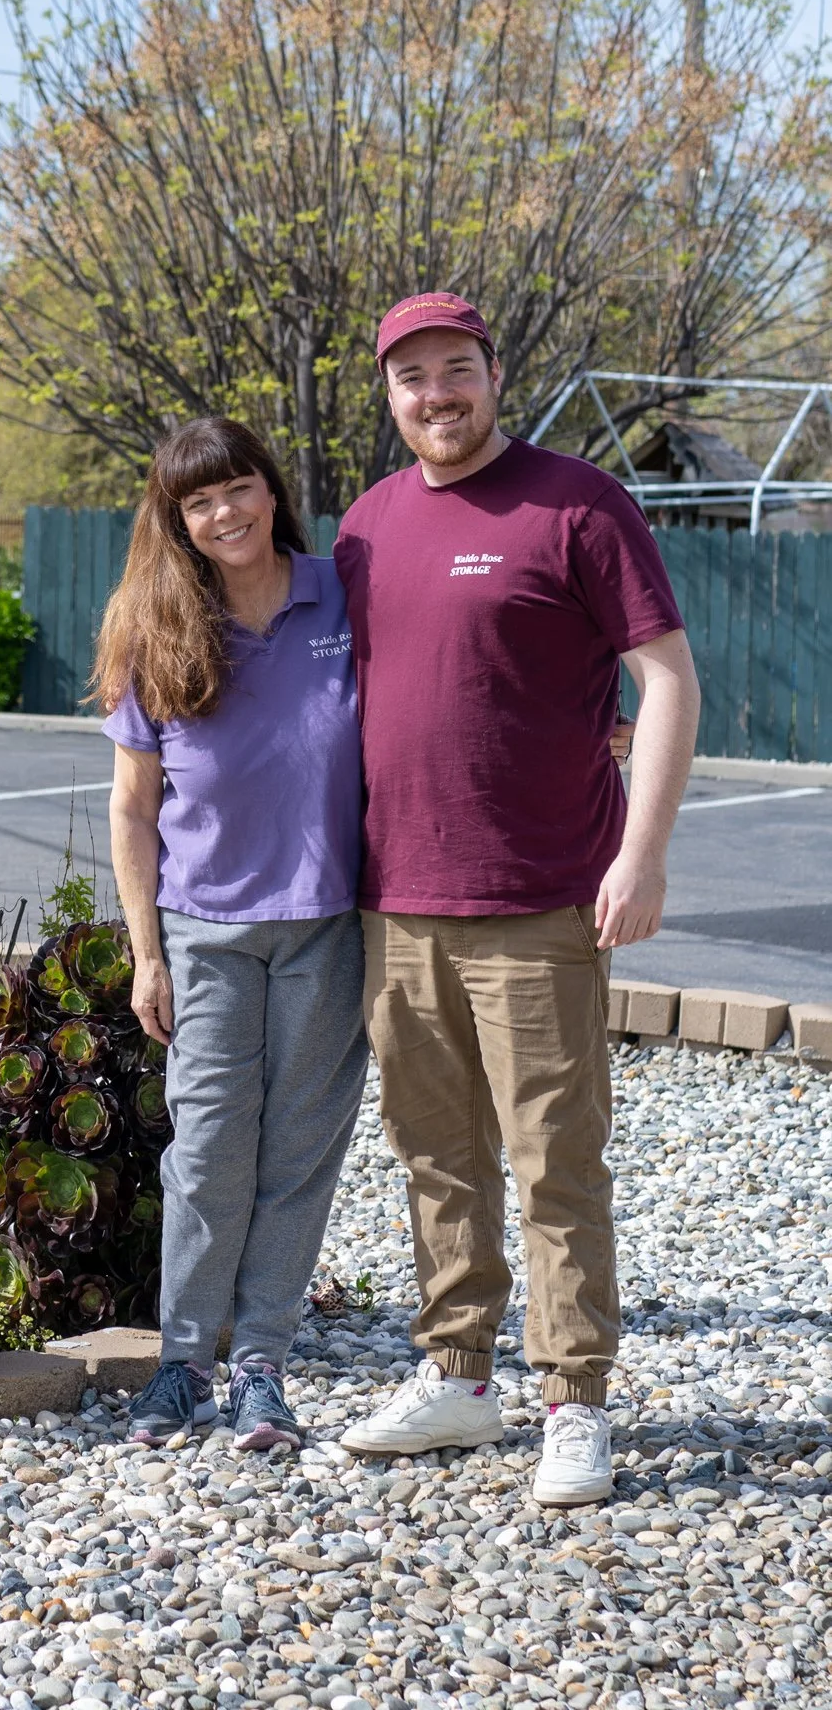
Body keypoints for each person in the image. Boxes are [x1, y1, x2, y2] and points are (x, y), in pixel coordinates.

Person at [333, 292, 700, 1507]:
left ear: (494, 374)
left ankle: (573, 1396)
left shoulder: (577, 503)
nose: (435, 393)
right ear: (389, 395)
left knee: (553, 1161)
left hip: (542, 899)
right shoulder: (366, 525)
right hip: (397, 898)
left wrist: (641, 853)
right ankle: (458, 1375)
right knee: (434, 1155)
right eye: (412, 377)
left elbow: (666, 678)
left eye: (456, 369)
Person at [100, 417, 368, 1450]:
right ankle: (183, 1367)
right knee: (208, 1150)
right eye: (200, 501)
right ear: (177, 521)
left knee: (297, 1154)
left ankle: (261, 1367)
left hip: (327, 927)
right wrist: (147, 953)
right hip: (204, 932)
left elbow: (460, 673)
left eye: (239, 487)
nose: (225, 513)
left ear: (271, 488)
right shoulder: (156, 628)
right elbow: (133, 807)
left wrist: (587, 719)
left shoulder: (343, 593)